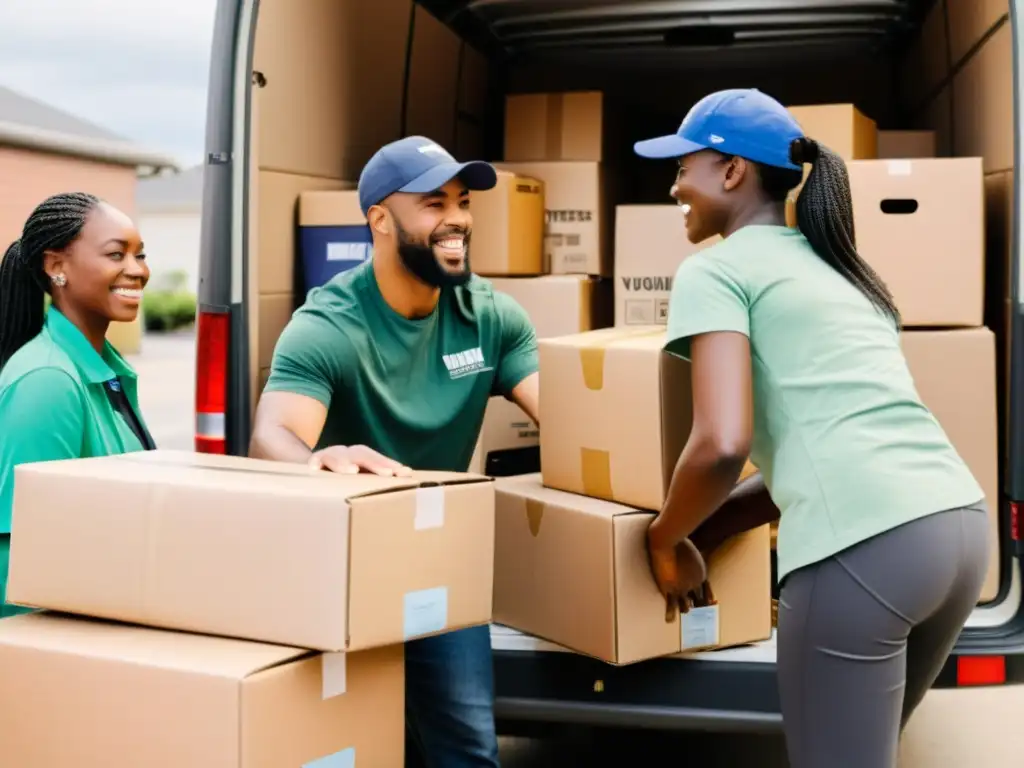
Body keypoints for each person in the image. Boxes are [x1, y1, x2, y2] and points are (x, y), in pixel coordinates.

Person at [633, 88, 989, 768]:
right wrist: (708, 528)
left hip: (864, 553)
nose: (674, 184)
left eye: (685, 165)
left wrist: (664, 535)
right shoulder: (844, 271)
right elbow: (813, 459)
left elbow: (721, 442)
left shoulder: (716, 271)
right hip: (957, 530)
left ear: (732, 171)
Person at [250, 135, 540, 767]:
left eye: (462, 202)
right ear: (380, 220)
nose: (457, 218)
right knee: (344, 750)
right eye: (434, 203)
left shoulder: (491, 317)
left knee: (467, 750)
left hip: (437, 561)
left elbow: (572, 423)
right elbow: (270, 434)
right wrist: (314, 460)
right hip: (340, 566)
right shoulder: (328, 324)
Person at [0, 192, 155, 616]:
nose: (137, 270)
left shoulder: (103, 371)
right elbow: (20, 554)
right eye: (115, 254)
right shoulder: (48, 381)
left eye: (140, 255)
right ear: (56, 267)